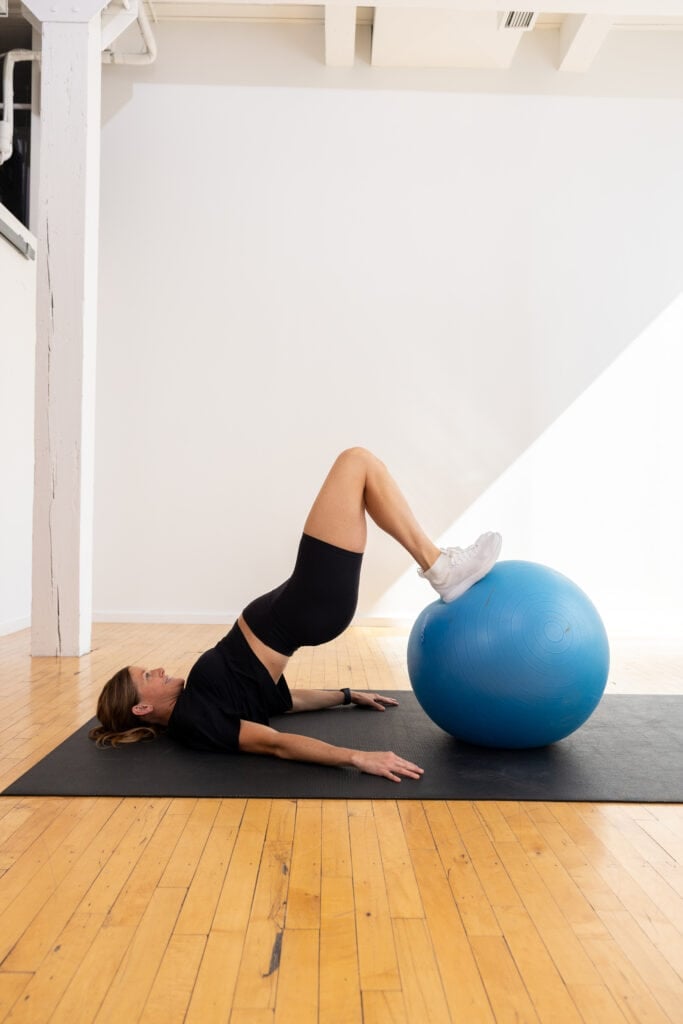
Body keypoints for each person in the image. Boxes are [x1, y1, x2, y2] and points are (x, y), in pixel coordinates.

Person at [90, 448, 501, 782]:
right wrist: (359, 758)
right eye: (148, 678)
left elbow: (281, 703)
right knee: (356, 463)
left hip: (307, 603)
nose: (157, 670)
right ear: (142, 708)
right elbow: (274, 742)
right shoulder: (195, 722)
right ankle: (440, 568)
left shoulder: (200, 703)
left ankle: (439, 564)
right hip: (310, 603)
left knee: (367, 468)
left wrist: (345, 695)